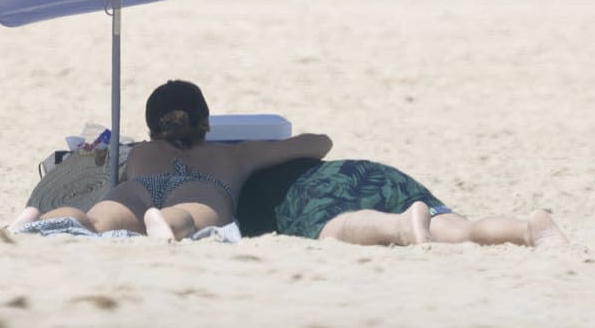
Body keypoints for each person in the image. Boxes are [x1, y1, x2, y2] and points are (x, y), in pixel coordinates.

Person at [10, 80, 332, 240]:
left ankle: (37, 217)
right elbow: (320, 143)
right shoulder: (234, 153)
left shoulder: (140, 152)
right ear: (206, 122)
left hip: (138, 188)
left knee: (92, 221)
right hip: (202, 188)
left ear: (152, 129)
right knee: (185, 216)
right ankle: (162, 223)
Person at [240, 159, 568, 248]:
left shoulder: (215, 171)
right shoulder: (262, 147)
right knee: (459, 230)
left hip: (308, 196)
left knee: (338, 228)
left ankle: (400, 226)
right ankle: (529, 229)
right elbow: (321, 142)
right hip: (363, 172)